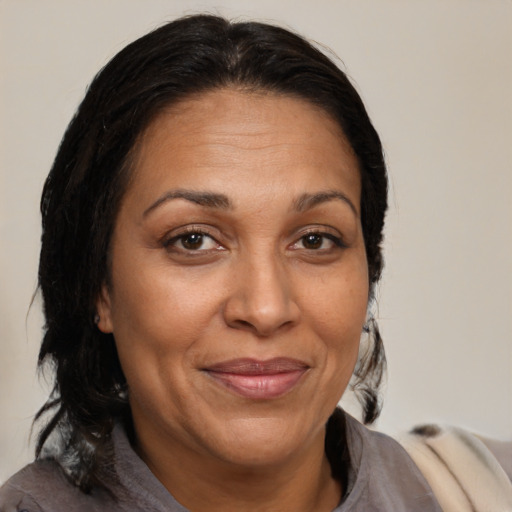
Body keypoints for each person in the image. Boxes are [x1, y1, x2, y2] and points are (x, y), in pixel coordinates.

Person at [0, 13, 508, 512]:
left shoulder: (485, 491)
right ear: (99, 286)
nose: (266, 309)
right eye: (194, 240)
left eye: (314, 240)